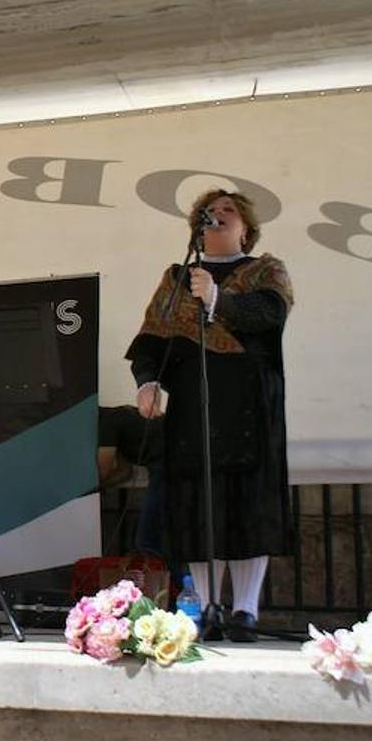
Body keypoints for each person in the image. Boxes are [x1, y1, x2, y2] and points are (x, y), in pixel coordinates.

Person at [126, 189, 293, 642]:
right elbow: (151, 338)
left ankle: (245, 609)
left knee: (245, 500)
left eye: (227, 212)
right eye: (209, 213)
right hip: (191, 402)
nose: (217, 218)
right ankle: (207, 606)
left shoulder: (266, 270)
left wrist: (218, 298)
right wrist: (147, 380)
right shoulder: (178, 277)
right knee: (194, 501)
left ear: (246, 227)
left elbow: (269, 317)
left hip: (248, 401)